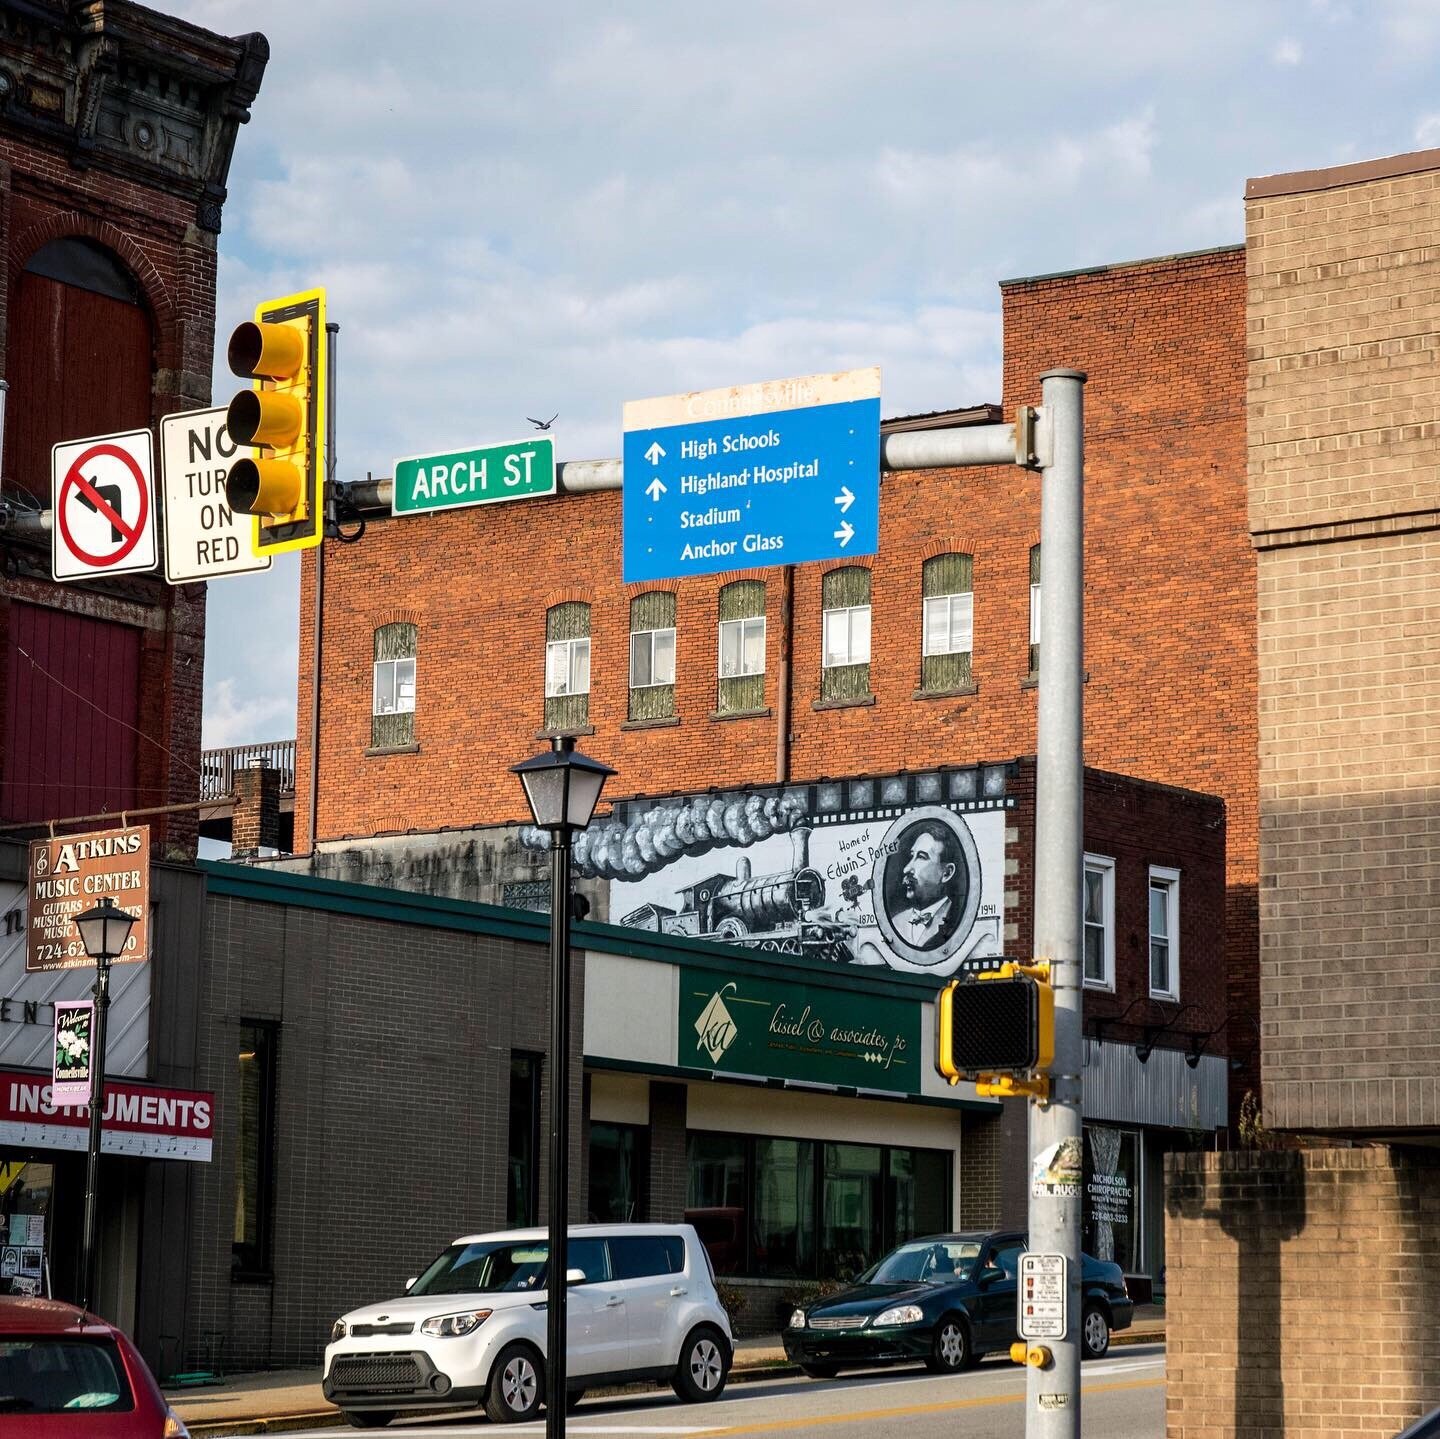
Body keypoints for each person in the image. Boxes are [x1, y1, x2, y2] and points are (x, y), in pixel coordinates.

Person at [890, 823, 963, 950]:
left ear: (946, 873)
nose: (906, 869)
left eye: (921, 857)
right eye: (912, 855)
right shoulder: (896, 922)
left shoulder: (958, 919)